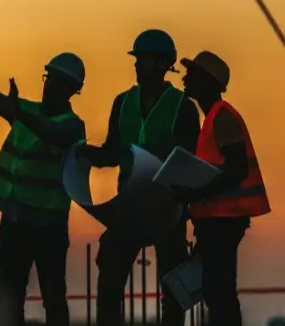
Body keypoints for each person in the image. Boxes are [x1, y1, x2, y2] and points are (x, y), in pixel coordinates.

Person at [0, 36, 87, 326]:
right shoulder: (27, 111)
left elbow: (52, 133)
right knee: (11, 300)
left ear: (73, 90)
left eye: (59, 82)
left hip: (49, 227)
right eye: (49, 78)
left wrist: (18, 112)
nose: (50, 85)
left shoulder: (73, 126)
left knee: (54, 300)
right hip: (16, 221)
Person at [76, 29, 200, 326]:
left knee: (173, 291)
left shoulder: (181, 106)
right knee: (109, 283)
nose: (135, 65)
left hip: (168, 210)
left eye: (142, 59)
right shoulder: (123, 103)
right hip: (130, 209)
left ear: (160, 64)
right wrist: (87, 155)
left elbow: (191, 163)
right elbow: (113, 152)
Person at [170, 50, 272, 326]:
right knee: (216, 291)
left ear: (208, 81)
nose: (185, 80)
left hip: (225, 219)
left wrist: (195, 194)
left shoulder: (222, 117)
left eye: (192, 75)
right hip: (216, 219)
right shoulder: (212, 118)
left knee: (219, 291)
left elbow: (236, 170)